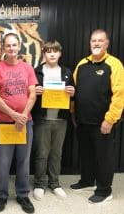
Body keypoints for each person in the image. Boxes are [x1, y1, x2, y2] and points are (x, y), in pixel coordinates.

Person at [70, 29, 124, 204]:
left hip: (103, 122)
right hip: (82, 120)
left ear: (107, 44)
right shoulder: (81, 64)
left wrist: (110, 119)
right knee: (85, 153)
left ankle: (104, 190)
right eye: (93, 40)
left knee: (104, 157)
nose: (96, 43)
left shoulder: (114, 64)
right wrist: (73, 112)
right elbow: (74, 91)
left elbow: (120, 94)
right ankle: (87, 181)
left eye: (100, 41)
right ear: (90, 43)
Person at [0, 33, 37, 213]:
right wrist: (14, 115)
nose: (11, 48)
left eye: (14, 45)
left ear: (19, 47)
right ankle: (1, 195)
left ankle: (23, 195)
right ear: (3, 48)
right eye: (8, 45)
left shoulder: (27, 68)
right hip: (3, 123)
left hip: (25, 122)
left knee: (23, 161)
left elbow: (32, 94)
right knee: (3, 162)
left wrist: (22, 116)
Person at [31, 40, 75, 200]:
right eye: (48, 51)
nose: (52, 54)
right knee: (42, 153)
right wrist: (35, 91)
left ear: (60, 53)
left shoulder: (67, 72)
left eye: (55, 51)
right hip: (42, 118)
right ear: (44, 53)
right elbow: (28, 94)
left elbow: (74, 94)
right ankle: (39, 184)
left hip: (61, 119)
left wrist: (72, 91)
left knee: (57, 153)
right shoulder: (36, 72)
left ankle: (55, 183)